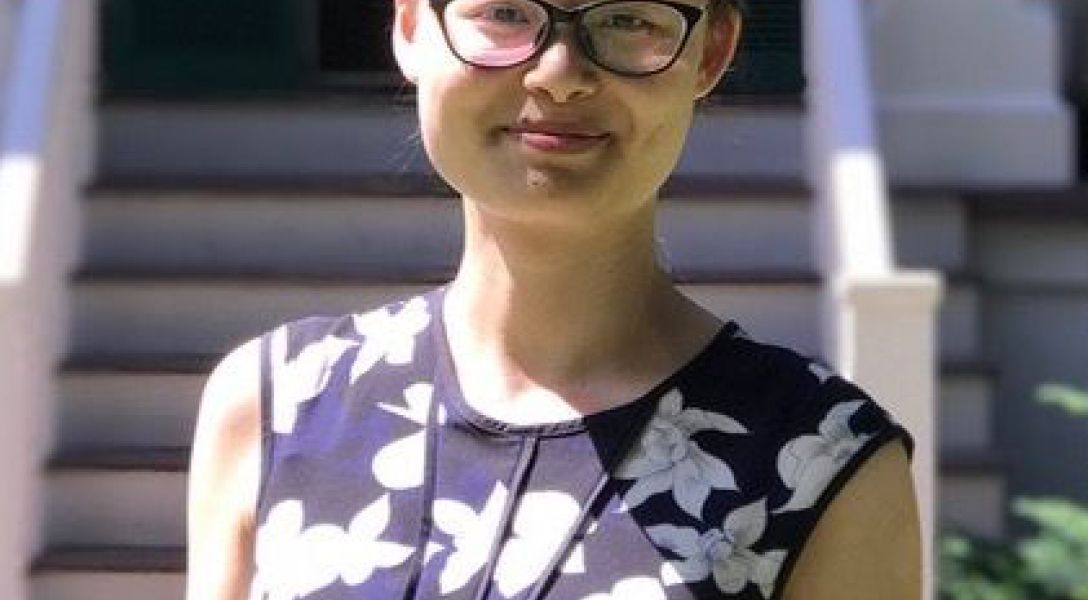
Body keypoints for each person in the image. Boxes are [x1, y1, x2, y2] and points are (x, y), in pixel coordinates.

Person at [186, 0, 922, 598]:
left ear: (710, 53)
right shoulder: (278, 405)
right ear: (411, 27)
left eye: (630, 19)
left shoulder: (820, 463)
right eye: (505, 12)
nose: (560, 73)